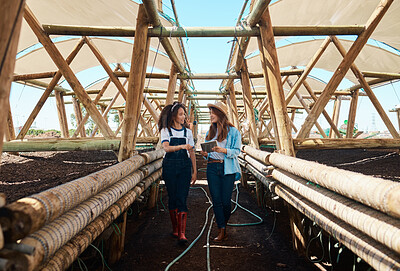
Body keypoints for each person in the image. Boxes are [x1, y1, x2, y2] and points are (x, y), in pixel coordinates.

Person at [200, 102, 241, 242]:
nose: (211, 115)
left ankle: (224, 223)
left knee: (226, 202)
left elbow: (237, 151)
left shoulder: (234, 132)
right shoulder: (209, 132)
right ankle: (221, 229)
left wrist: (223, 150)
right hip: (212, 167)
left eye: (213, 112)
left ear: (221, 115)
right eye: (210, 112)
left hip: (227, 168)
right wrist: (205, 153)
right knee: (216, 201)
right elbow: (208, 152)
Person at [158, 101, 197, 244]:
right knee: (172, 197)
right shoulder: (165, 131)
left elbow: (191, 152)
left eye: (184, 114)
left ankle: (182, 234)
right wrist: (182, 146)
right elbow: (166, 148)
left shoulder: (188, 132)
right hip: (169, 166)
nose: (183, 116)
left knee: (182, 197)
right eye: (180, 114)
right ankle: (175, 229)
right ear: (174, 116)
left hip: (184, 167)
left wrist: (195, 171)